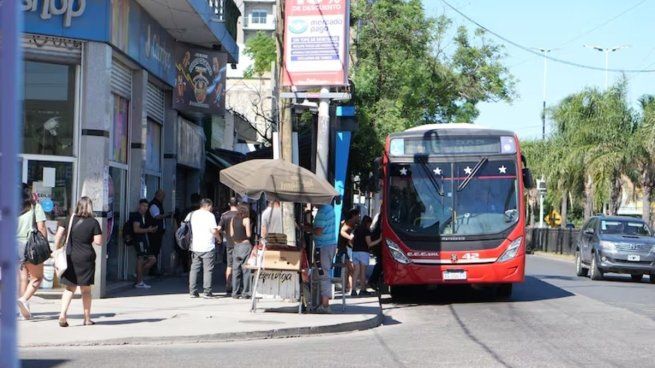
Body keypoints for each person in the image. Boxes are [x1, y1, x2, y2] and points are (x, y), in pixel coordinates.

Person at [53, 197, 103, 327]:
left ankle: (62, 314)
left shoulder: (68, 220)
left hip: (70, 257)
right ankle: (87, 319)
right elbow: (98, 242)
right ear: (90, 207)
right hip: (86, 258)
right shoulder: (93, 222)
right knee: (85, 290)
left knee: (69, 288)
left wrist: (56, 249)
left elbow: (58, 236)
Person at [16, 185, 47, 320]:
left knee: (23, 278)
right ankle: (24, 300)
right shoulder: (36, 207)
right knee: (37, 278)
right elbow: (41, 228)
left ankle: (22, 310)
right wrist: (44, 245)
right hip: (30, 247)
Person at [186, 198, 220, 298]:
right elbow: (214, 231)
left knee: (194, 269)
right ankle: (207, 291)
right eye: (211, 207)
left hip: (195, 246)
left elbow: (185, 227)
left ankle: (192, 291)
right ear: (207, 206)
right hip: (208, 246)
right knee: (208, 270)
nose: (212, 208)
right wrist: (219, 239)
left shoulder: (192, 214)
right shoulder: (210, 216)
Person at [313, 203, 337, 313]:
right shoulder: (330, 209)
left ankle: (325, 304)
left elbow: (319, 231)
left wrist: (307, 228)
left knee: (323, 274)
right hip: (330, 245)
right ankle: (321, 301)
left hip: (322, 246)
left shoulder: (322, 211)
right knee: (322, 273)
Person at [352, 216, 381, 296]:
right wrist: (379, 239)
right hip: (363, 253)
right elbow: (369, 244)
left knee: (356, 272)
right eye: (370, 224)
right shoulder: (366, 230)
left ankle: (353, 290)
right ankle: (363, 290)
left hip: (354, 252)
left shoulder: (357, 229)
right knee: (363, 272)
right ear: (368, 223)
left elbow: (351, 240)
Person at [132, 199, 158, 289]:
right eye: (143, 206)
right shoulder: (137, 216)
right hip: (139, 241)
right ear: (139, 205)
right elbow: (136, 229)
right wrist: (148, 230)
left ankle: (138, 275)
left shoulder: (144, 216)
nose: (145, 208)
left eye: (147, 206)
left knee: (152, 259)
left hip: (143, 240)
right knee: (141, 259)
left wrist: (150, 229)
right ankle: (139, 281)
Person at [216, 197, 239, 296]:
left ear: (229, 204)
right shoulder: (242, 214)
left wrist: (223, 233)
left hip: (229, 243)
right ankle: (237, 286)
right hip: (240, 243)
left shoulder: (224, 215)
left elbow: (218, 228)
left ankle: (228, 285)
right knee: (239, 265)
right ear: (238, 204)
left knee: (229, 265)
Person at [230, 204, 252, 299]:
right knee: (246, 270)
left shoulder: (233, 219)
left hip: (236, 246)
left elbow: (231, 234)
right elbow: (248, 234)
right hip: (245, 245)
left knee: (236, 270)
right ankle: (246, 292)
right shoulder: (246, 220)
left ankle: (235, 292)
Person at [338, 208, 360, 296]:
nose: (359, 217)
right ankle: (351, 289)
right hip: (343, 249)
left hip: (347, 248)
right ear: (353, 215)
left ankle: (347, 287)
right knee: (351, 269)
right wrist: (350, 238)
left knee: (349, 269)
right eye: (358, 215)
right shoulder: (348, 223)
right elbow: (342, 231)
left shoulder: (353, 224)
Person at [147, 189, 169, 275]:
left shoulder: (158, 204)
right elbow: (156, 216)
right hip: (154, 232)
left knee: (156, 250)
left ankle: (154, 269)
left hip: (158, 232)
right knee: (154, 250)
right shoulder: (154, 205)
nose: (163, 198)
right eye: (163, 196)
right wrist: (166, 215)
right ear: (158, 196)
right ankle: (152, 270)